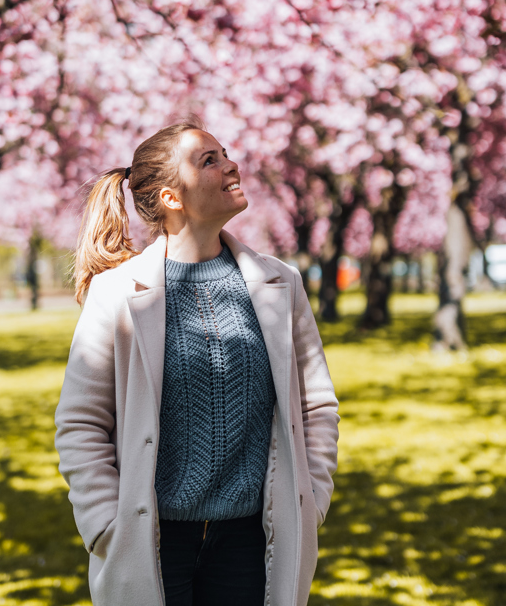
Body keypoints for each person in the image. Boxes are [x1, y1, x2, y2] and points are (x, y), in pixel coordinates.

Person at [54, 117, 339, 606]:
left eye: (225, 153)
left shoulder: (280, 284)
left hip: (252, 540)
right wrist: (106, 525)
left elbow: (316, 406)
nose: (232, 165)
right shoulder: (117, 294)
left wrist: (310, 499)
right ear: (171, 198)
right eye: (210, 160)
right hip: (154, 543)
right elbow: (80, 423)